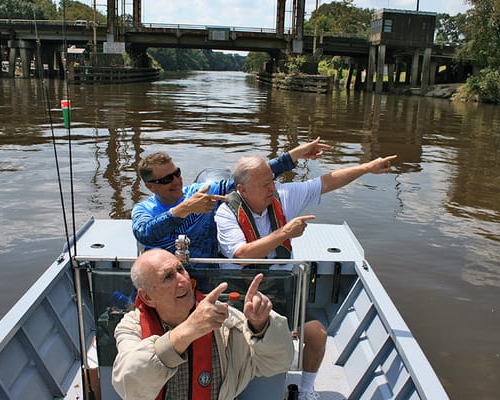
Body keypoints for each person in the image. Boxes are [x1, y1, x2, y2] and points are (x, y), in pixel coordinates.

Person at [214, 152, 397, 400]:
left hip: (282, 291)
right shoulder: (225, 213)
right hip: (243, 294)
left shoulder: (283, 197)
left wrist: (367, 167)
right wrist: (284, 233)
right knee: (232, 341)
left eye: (273, 181)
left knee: (317, 334)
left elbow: (327, 182)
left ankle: (306, 388)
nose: (272, 188)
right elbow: (242, 256)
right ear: (242, 190)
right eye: (265, 184)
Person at [112, 248, 294, 400]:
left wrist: (261, 325)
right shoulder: (130, 327)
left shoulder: (224, 319)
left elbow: (277, 363)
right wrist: (188, 330)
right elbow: (129, 384)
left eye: (181, 269)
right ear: (147, 297)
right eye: (168, 277)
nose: (183, 280)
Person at [131, 138, 331, 261]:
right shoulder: (143, 209)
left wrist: (296, 154)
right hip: (165, 278)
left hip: (207, 275)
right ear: (150, 186)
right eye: (166, 179)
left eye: (177, 173)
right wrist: (183, 209)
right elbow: (144, 234)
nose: (176, 181)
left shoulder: (203, 191)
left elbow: (251, 176)